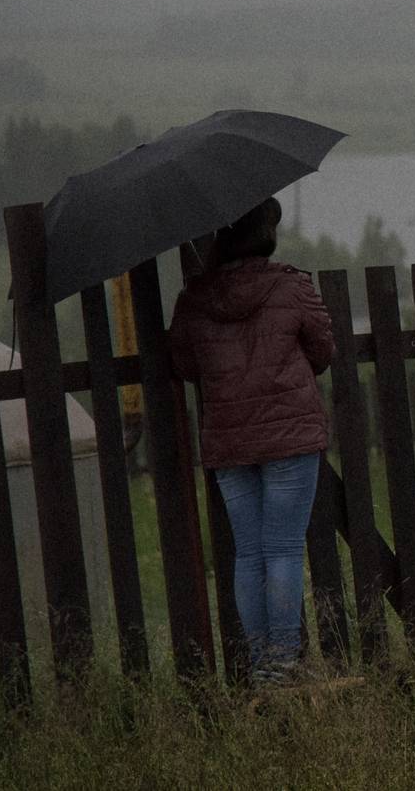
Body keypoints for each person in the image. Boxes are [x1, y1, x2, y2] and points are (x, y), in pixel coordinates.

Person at [169, 196, 333, 686]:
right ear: (265, 232)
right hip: (289, 436)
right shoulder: (291, 286)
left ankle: (264, 666)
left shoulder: (193, 300)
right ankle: (285, 663)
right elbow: (323, 351)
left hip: (229, 440)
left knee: (248, 553)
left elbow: (184, 366)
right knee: (283, 549)